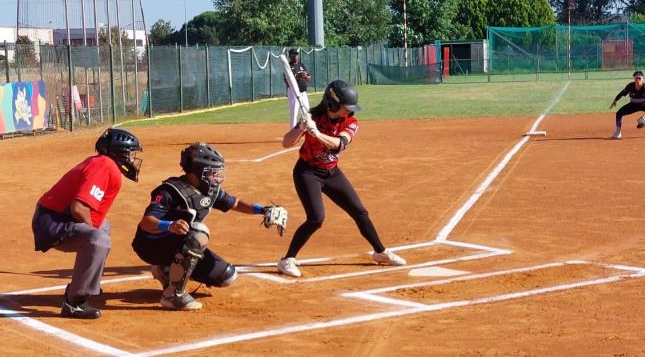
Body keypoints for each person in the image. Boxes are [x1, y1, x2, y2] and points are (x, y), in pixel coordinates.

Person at [131, 143, 287, 310]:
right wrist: (169, 225)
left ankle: (166, 269)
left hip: (179, 245)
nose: (216, 177)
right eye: (211, 172)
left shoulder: (210, 190)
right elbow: (146, 222)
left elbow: (234, 203)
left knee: (227, 276)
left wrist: (262, 210)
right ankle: (172, 296)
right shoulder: (168, 191)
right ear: (196, 171)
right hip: (151, 244)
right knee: (198, 233)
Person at [277, 80, 405, 277]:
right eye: (346, 108)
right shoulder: (311, 117)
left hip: (332, 172)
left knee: (360, 212)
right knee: (316, 218)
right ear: (333, 104)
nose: (349, 112)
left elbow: (338, 144)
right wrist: (301, 127)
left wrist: (316, 133)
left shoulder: (351, 122)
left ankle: (380, 252)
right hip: (307, 172)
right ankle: (287, 260)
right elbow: (286, 143)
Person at [32, 128, 143, 319]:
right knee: (98, 239)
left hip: (54, 217)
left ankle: (86, 283)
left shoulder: (103, 164)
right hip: (51, 221)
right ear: (119, 153)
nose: (133, 158)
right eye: (130, 153)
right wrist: (94, 232)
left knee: (103, 228)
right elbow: (78, 208)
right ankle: (74, 302)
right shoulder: (105, 167)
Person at [285, 48, 312, 129]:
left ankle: (307, 128)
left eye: (296, 55)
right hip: (294, 93)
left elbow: (309, 79)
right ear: (290, 56)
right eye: (293, 55)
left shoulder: (301, 65)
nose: (295, 57)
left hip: (303, 93)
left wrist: (306, 76)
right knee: (294, 112)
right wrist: (297, 76)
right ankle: (292, 131)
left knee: (307, 111)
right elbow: (287, 82)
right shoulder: (288, 66)